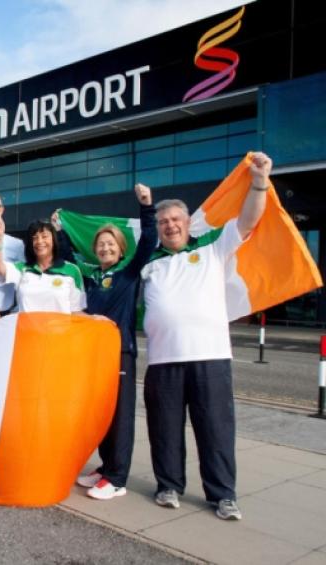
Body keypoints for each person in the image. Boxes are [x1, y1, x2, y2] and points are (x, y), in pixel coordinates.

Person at [141, 152, 273, 520]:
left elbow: (248, 219)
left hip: (210, 357)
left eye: (176, 219)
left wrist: (259, 181)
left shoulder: (213, 247)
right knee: (164, 431)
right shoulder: (148, 262)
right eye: (164, 221)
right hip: (163, 361)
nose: (170, 225)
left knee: (215, 429)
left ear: (187, 223)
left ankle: (222, 495)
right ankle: (168, 485)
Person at [64, 184, 157, 500]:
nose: (104, 248)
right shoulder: (90, 279)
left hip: (121, 354)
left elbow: (148, 242)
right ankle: (105, 467)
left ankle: (117, 478)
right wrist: (58, 229)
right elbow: (65, 260)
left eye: (110, 244)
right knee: (101, 412)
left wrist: (146, 206)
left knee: (120, 415)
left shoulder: (128, 273)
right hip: (95, 357)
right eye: (100, 244)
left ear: (120, 248)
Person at [0, 218, 85, 314]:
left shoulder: (72, 270)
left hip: (59, 329)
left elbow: (76, 311)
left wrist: (95, 319)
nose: (39, 241)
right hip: (26, 329)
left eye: (44, 236)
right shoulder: (22, 269)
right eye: (35, 238)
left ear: (54, 240)